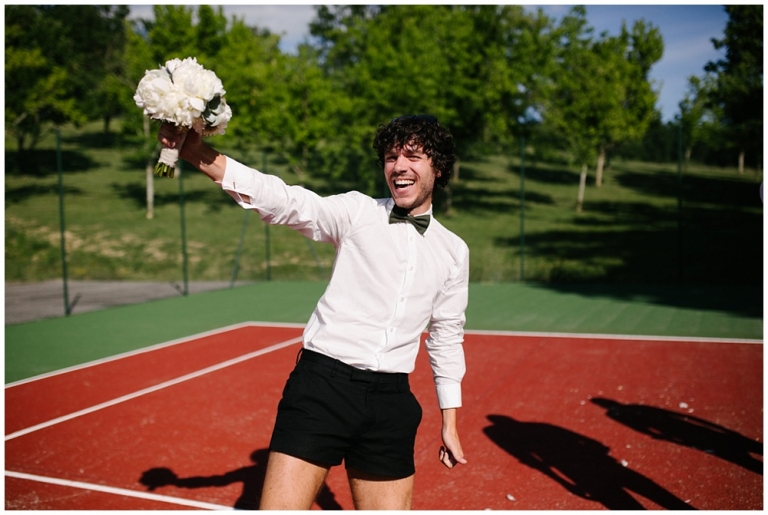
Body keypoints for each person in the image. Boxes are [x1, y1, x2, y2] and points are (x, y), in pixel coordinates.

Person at [157, 114, 469, 510]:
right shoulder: (357, 212)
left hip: (392, 402)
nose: (399, 166)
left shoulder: (454, 251)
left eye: (413, 156)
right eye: (391, 157)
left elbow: (446, 335)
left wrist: (450, 421)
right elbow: (286, 201)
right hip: (323, 387)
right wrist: (199, 154)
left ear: (437, 167)